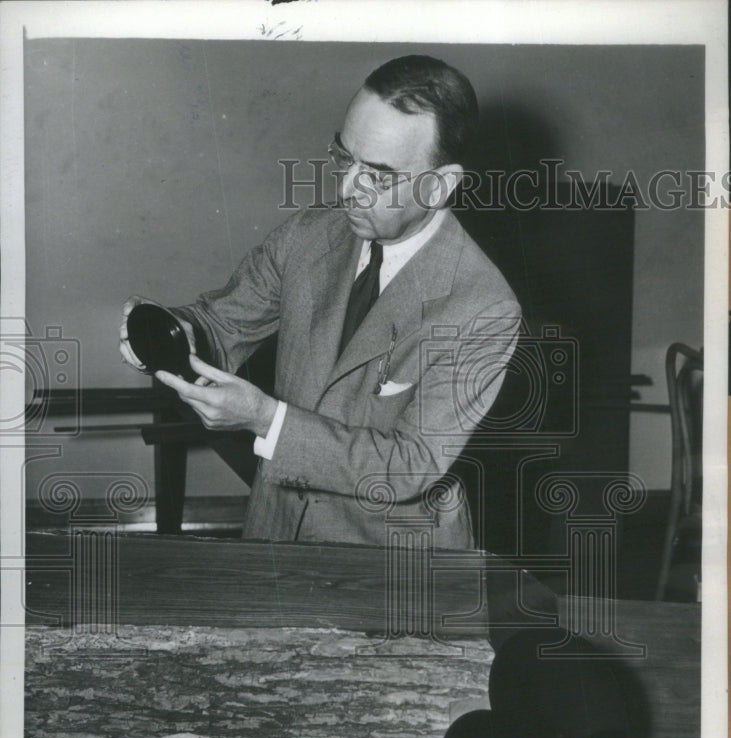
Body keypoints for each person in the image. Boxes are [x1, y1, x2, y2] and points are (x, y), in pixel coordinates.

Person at [120, 54, 521, 548]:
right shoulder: (309, 236)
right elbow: (219, 324)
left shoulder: (482, 307)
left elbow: (408, 466)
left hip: (390, 564)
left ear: (439, 185)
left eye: (377, 174)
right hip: (273, 538)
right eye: (343, 156)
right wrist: (165, 333)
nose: (347, 188)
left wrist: (267, 419)